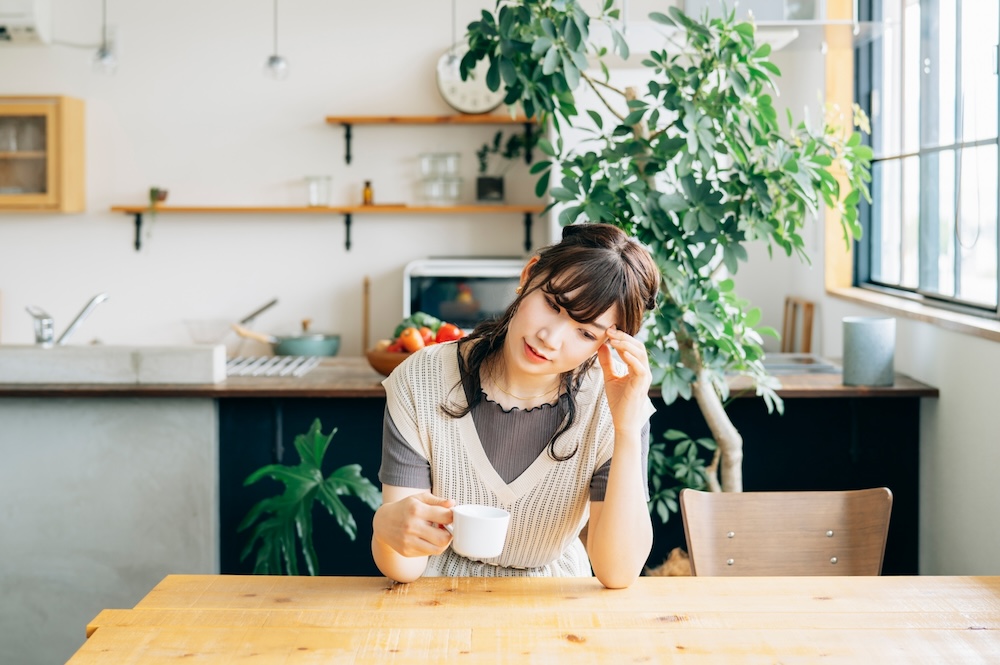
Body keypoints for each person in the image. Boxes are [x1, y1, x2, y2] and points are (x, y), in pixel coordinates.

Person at [371, 223, 660, 588]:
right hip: (437, 598)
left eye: (585, 332)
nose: (550, 338)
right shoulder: (423, 378)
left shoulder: (615, 403)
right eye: (552, 304)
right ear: (528, 276)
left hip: (556, 604)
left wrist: (627, 429)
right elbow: (405, 567)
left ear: (609, 343)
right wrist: (385, 525)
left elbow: (617, 573)